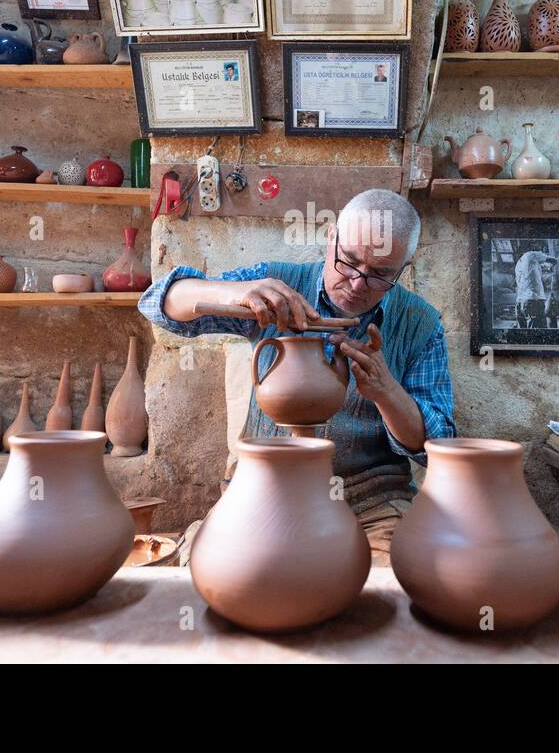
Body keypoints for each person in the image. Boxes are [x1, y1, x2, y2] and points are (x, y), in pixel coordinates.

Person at [138, 189, 456, 565]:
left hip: (370, 503)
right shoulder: (277, 285)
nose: (357, 284)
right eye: (349, 261)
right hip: (261, 490)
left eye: (380, 275)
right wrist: (236, 293)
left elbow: (437, 447)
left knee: (395, 584)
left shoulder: (420, 323)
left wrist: (387, 392)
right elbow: (157, 303)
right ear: (332, 238)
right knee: (215, 572)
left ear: (403, 268)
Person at [514, 247, 556, 329]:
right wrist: (551, 267)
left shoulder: (518, 266)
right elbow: (554, 260)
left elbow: (533, 280)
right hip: (533, 302)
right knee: (536, 334)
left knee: (523, 334)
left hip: (521, 304)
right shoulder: (531, 254)